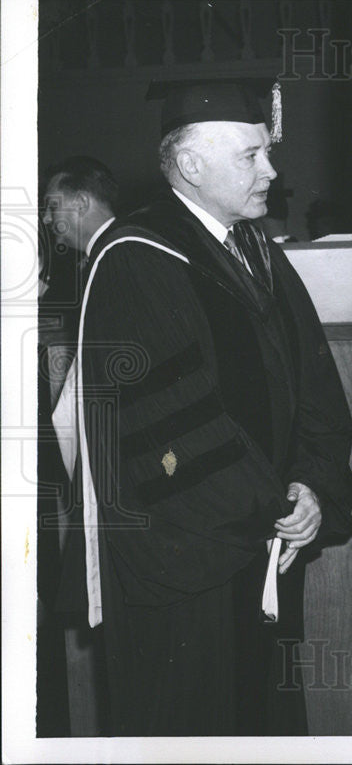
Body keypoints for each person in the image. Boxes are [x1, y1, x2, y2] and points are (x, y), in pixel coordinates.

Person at [56, 78, 352, 735]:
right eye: (251, 155)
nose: (272, 171)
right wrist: (278, 506)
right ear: (191, 165)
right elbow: (173, 430)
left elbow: (317, 393)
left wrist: (314, 486)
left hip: (260, 557)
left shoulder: (256, 254)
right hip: (183, 577)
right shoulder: (136, 258)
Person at [37, 156, 119, 736]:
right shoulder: (95, 262)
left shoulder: (117, 260)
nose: (47, 220)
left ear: (83, 204)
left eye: (54, 207)